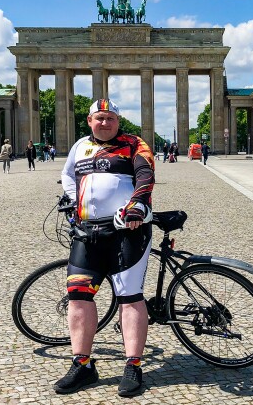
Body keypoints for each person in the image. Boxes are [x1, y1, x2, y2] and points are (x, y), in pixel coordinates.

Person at [57, 98, 154, 397]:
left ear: (118, 120)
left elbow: (146, 175)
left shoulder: (135, 143)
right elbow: (67, 175)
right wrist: (74, 202)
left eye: (110, 118)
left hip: (127, 230)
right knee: (78, 297)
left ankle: (133, 365)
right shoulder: (79, 147)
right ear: (90, 121)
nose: (105, 122)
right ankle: (82, 364)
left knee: (129, 297)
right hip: (88, 232)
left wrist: (137, 204)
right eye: (100, 118)